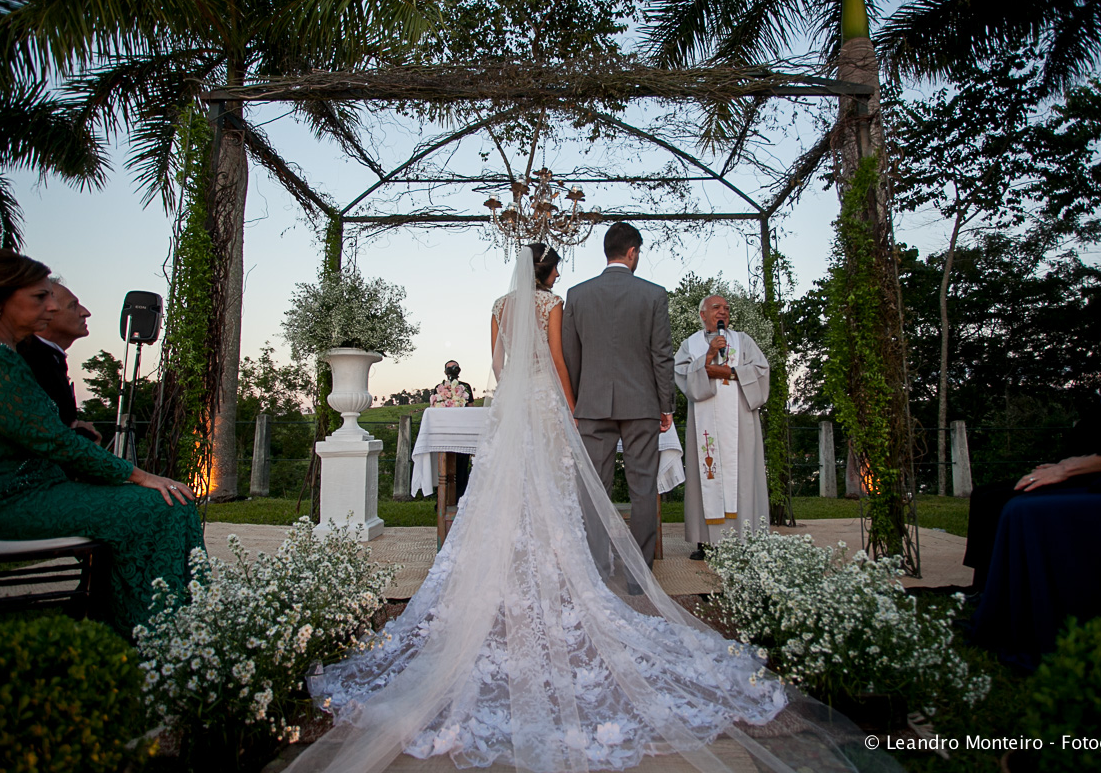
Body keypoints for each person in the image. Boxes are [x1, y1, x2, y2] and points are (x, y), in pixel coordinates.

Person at [287, 245, 870, 773]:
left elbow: (499, 364)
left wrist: (521, 394)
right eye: (557, 267)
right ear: (550, 272)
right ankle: (599, 569)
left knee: (507, 491)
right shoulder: (555, 303)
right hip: (557, 402)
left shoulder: (501, 304)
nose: (560, 274)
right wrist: (567, 403)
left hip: (514, 405)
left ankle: (508, 569)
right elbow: (564, 360)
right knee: (570, 488)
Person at [0, 247, 203, 636]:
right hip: (2, 499)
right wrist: (137, 475)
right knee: (163, 505)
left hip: (27, 490)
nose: (49, 306)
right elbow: (54, 441)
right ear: (0, 300)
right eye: (39, 297)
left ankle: (139, 619)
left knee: (162, 501)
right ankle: (157, 633)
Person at [970, 279, 1101, 667]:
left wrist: (1073, 467)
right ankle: (1004, 616)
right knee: (1016, 503)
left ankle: (1041, 634)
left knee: (1023, 509)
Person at [961, 312, 1101, 589]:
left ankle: (1001, 586)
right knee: (985, 494)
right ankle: (984, 583)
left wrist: (1068, 468)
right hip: (1082, 468)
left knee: (1001, 500)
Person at [562, 222, 675, 570]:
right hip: (642, 404)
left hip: (592, 404)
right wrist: (666, 405)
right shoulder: (654, 294)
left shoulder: (577, 294)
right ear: (632, 252)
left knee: (595, 488)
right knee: (643, 487)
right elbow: (661, 355)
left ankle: (597, 568)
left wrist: (578, 401)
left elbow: (571, 356)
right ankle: (638, 574)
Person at [675, 294, 771, 560]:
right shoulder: (690, 345)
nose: (723, 312)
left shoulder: (743, 341)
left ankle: (745, 539)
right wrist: (707, 357)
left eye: (726, 308)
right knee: (706, 474)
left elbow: (761, 370)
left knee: (742, 476)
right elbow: (681, 373)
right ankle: (706, 541)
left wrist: (729, 373)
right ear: (702, 314)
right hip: (705, 424)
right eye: (716, 307)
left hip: (739, 422)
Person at [16, 278, 103, 442]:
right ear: (47, 312)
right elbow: (37, 435)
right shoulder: (26, 362)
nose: (85, 312)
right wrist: (83, 436)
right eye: (73, 306)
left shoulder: (49, 358)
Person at [434, 359, 475, 497]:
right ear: (445, 371)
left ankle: (461, 497)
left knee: (462, 465)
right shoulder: (439, 387)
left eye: (455, 367)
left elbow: (471, 407)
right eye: (449, 368)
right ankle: (444, 498)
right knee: (444, 466)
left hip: (463, 430)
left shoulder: (466, 387)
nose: (452, 370)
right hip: (446, 431)